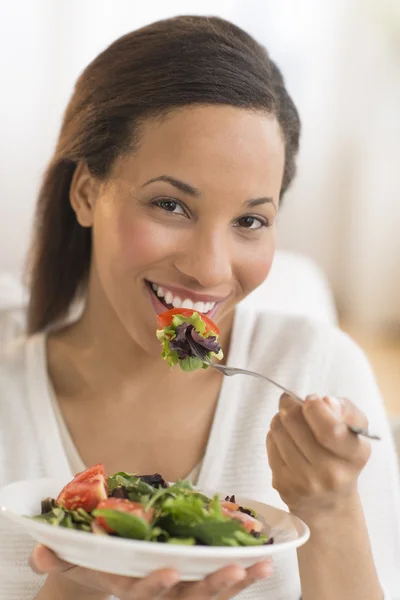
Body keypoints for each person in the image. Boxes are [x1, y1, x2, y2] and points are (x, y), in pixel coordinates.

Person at [0, 14, 399, 600]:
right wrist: (74, 589)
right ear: (87, 191)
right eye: (171, 205)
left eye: (249, 221)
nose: (210, 270)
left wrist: (331, 507)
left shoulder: (317, 370)